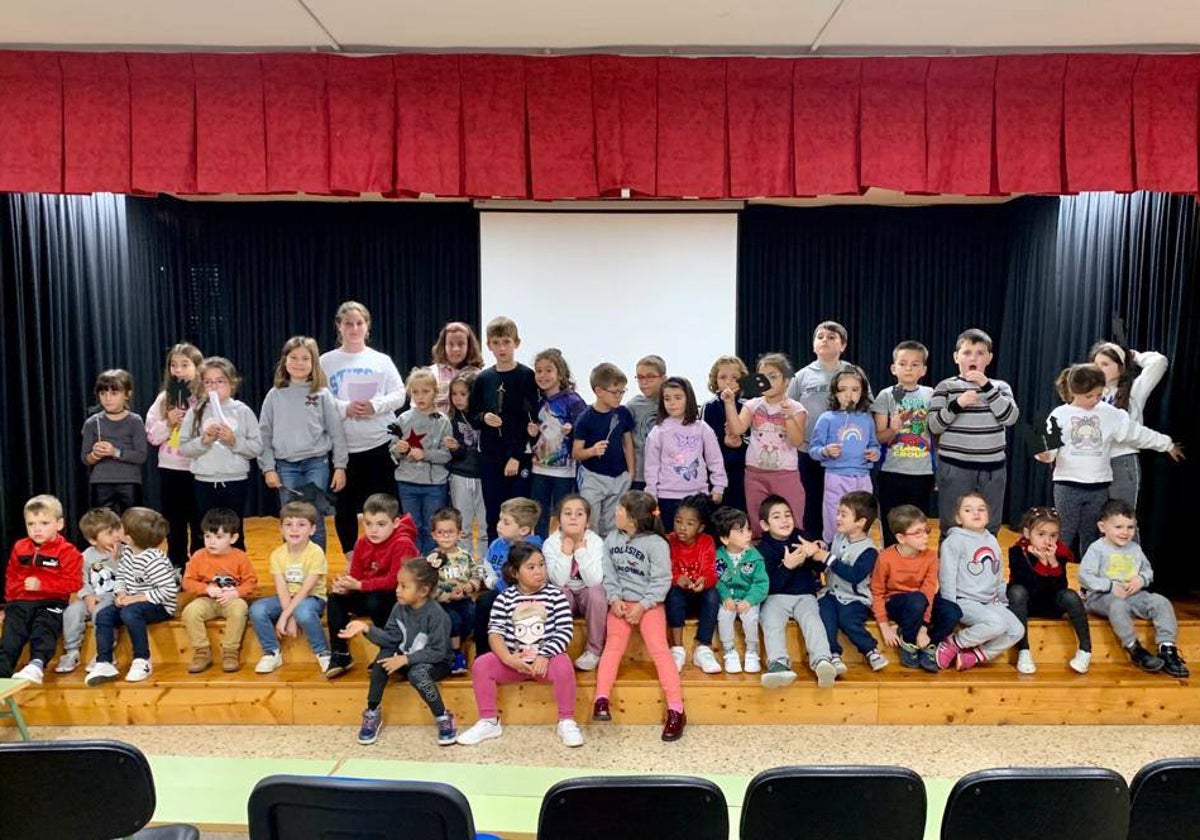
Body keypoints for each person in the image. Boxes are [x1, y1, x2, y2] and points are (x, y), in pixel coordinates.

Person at [1035, 364, 1181, 557]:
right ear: (1073, 392)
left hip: (1098, 487)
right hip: (1067, 485)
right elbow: (1047, 446)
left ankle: (1090, 584)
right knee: (1064, 533)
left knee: (1092, 537)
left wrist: (1166, 444)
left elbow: (1137, 433)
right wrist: (1044, 454)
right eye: (1089, 396)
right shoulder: (1060, 415)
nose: (1095, 400)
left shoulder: (1109, 413)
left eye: (1099, 395)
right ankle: (1053, 579)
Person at [456, 542, 583, 747]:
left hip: (544, 663)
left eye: (541, 565)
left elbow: (564, 631)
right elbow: (495, 633)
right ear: (515, 572)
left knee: (564, 663)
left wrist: (545, 655)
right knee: (481, 664)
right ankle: (489, 721)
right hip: (514, 662)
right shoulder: (505, 598)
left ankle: (566, 721)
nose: (539, 571)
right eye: (531, 567)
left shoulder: (556, 595)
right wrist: (507, 657)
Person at [592, 491, 685, 741]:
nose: (616, 512)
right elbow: (609, 575)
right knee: (612, 647)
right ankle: (601, 699)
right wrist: (614, 600)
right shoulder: (611, 539)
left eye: (620, 509)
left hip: (649, 604)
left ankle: (676, 709)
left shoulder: (656, 544)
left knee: (659, 650)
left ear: (632, 518)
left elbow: (661, 580)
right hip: (621, 604)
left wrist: (643, 605)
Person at [320, 301, 406, 562]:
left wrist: (375, 406)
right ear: (339, 327)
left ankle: (387, 557)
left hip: (379, 443)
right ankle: (350, 559)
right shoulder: (325, 361)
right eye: (348, 323)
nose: (354, 328)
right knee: (344, 506)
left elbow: (400, 394)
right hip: (344, 449)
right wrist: (346, 407)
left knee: (385, 504)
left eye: (359, 323)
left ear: (367, 326)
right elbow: (318, 399)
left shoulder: (381, 360)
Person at [340, 558, 456, 746]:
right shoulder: (398, 608)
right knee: (381, 660)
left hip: (435, 662)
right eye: (398, 584)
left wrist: (405, 659)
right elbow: (391, 639)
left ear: (423, 591)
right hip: (406, 657)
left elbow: (437, 652)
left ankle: (443, 717)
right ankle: (372, 711)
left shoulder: (437, 616)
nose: (397, 590)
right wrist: (366, 629)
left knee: (417, 673)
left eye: (404, 586)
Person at [1079, 500, 1188, 677]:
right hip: (1102, 597)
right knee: (1118, 606)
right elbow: (1084, 576)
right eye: (1119, 527)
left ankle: (1167, 648)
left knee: (1160, 602)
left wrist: (1141, 579)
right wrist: (1110, 585)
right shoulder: (1097, 549)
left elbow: (1147, 570)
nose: (1125, 532)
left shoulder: (1135, 549)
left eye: (1130, 527)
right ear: (1102, 527)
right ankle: (1135, 648)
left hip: (1132, 595)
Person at [259, 336, 347, 552]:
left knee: (314, 518)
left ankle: (315, 574)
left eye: (305, 358)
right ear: (284, 361)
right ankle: (293, 570)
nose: (299, 363)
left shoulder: (322, 394)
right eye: (294, 357)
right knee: (292, 520)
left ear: (313, 363)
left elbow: (337, 433)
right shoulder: (274, 395)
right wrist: (268, 468)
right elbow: (264, 435)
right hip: (286, 466)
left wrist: (340, 467)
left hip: (316, 464)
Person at [928, 329, 1019, 535]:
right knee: (951, 525)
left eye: (980, 353)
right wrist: (958, 404)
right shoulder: (946, 387)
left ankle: (986, 565)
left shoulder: (1000, 387)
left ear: (989, 358)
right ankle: (950, 567)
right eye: (967, 352)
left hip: (992, 470)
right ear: (956, 357)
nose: (973, 358)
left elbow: (1010, 418)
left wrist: (986, 386)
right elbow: (934, 426)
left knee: (990, 525)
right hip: (954, 468)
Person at [325, 494, 417, 679]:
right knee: (335, 599)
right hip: (369, 591)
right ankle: (340, 654)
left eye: (381, 524)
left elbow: (395, 581)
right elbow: (357, 576)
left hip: (397, 597)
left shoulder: (403, 544)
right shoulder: (361, 543)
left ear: (396, 523)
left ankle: (393, 650)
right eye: (368, 524)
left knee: (377, 598)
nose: (373, 530)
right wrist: (346, 586)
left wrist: (359, 585)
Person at [787, 322, 864, 540]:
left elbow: (866, 408)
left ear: (843, 345)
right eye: (820, 336)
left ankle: (842, 550)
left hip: (845, 454)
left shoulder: (854, 373)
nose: (825, 340)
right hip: (810, 451)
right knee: (812, 503)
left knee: (843, 505)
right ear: (813, 345)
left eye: (831, 337)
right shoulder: (801, 376)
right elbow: (789, 411)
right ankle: (813, 555)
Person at [178, 356, 262, 549]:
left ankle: (236, 574)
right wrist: (204, 441)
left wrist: (234, 441)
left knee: (234, 531)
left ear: (232, 383)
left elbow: (256, 447)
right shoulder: (196, 411)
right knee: (203, 531)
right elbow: (184, 448)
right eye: (208, 382)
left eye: (220, 381)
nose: (213, 386)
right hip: (204, 480)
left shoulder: (243, 411)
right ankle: (203, 574)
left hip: (235, 480)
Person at [799, 491, 888, 675]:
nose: (837, 517)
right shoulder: (839, 537)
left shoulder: (869, 550)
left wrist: (827, 557)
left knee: (848, 620)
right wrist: (821, 547)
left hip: (855, 598)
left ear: (861, 522)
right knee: (826, 616)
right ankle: (833, 654)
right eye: (838, 512)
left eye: (843, 514)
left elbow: (854, 575)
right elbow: (828, 554)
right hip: (830, 593)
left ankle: (870, 650)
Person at [468, 316, 538, 541]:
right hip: (490, 456)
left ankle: (520, 559)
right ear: (488, 345)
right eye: (496, 343)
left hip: (517, 456)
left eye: (506, 342)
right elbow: (472, 415)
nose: (501, 348)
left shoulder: (526, 376)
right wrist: (484, 417)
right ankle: (494, 559)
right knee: (494, 512)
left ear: (516, 343)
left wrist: (516, 456)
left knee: (519, 513)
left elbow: (530, 419)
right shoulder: (484, 378)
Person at [87, 507, 176, 685]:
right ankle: (104, 661)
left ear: (128, 537)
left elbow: (168, 590)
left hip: (159, 606)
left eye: (120, 527)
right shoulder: (127, 552)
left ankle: (142, 659)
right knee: (104, 614)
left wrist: (134, 599)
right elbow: (121, 575)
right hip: (131, 602)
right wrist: (120, 593)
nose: (117, 530)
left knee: (130, 613)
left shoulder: (154, 559)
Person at [935, 493, 1024, 671]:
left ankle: (976, 655)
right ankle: (953, 642)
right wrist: (949, 607)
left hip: (990, 601)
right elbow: (947, 576)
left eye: (981, 509)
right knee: (997, 625)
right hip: (964, 600)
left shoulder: (992, 540)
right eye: (968, 510)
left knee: (1017, 630)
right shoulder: (954, 541)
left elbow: (997, 573)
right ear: (958, 518)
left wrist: (1002, 599)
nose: (976, 513)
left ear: (988, 516)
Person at [757, 495, 837, 688]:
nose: (785, 520)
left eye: (788, 515)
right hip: (775, 597)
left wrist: (815, 554)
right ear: (765, 524)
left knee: (813, 619)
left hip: (805, 595)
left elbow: (819, 570)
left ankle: (822, 661)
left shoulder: (802, 538)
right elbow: (767, 586)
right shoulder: (762, 550)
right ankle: (778, 664)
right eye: (777, 516)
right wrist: (786, 567)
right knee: (770, 619)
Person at [723, 352, 806, 539]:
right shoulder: (752, 405)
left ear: (786, 381)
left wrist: (789, 417)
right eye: (762, 376)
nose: (766, 381)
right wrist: (729, 403)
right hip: (755, 473)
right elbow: (737, 429)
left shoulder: (796, 408)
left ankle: (794, 559)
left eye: (773, 376)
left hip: (785, 473)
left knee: (791, 518)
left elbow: (797, 441)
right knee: (757, 518)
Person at [1, 495, 82, 683]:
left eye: (44, 523)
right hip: (20, 603)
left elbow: (73, 584)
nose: (37, 528)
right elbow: (11, 577)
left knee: (43, 629)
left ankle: (36, 665)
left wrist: (42, 585)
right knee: (10, 639)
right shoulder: (20, 547)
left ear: (59, 524)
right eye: (31, 524)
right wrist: (8, 605)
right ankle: (2, 676)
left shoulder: (68, 551)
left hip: (51, 602)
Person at [870, 505, 961, 672]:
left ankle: (930, 645)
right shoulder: (885, 558)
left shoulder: (931, 556)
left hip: (922, 603)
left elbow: (928, 591)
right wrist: (883, 625)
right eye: (918, 533)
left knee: (953, 611)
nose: (925, 536)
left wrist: (924, 627)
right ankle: (909, 642)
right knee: (916, 599)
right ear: (901, 538)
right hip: (897, 603)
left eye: (926, 530)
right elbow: (877, 592)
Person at [1007, 507, 1091, 675]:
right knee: (1016, 592)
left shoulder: (1058, 553)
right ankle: (1023, 650)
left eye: (1053, 535)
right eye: (1041, 534)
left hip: (1049, 602)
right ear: (1027, 533)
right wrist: (1040, 563)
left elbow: (1060, 586)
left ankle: (1085, 650)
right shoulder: (1017, 552)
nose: (1048, 541)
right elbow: (1027, 584)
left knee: (1071, 595)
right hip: (1027, 603)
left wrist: (1051, 562)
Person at [249, 501, 330, 675]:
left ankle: (322, 652)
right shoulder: (277, 554)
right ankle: (272, 652)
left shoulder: (316, 552)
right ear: (281, 530)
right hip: (287, 599)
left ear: (312, 529)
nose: (294, 530)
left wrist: (287, 616)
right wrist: (288, 614)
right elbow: (281, 588)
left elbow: (306, 589)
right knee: (257, 609)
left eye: (301, 525)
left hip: (312, 598)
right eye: (288, 525)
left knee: (303, 612)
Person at [146, 342, 205, 570]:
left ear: (197, 367)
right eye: (173, 365)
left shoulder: (204, 398)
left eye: (184, 365)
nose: (178, 370)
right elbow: (151, 436)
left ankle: (199, 565)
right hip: (171, 468)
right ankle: (177, 563)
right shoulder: (164, 399)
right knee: (174, 520)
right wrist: (168, 422)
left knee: (199, 520)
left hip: (199, 469)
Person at [871, 340, 936, 546]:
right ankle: (891, 565)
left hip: (922, 473)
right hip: (891, 472)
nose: (908, 368)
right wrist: (893, 429)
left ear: (923, 370)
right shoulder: (886, 395)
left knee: (917, 525)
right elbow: (879, 437)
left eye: (915, 364)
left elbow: (936, 436)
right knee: (892, 524)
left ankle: (914, 568)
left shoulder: (931, 394)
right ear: (893, 368)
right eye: (903, 363)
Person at [1090, 341, 1168, 509]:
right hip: (1093, 462)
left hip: (1121, 461)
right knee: (1096, 521)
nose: (1099, 368)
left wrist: (1135, 356)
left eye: (1105, 364)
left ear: (1121, 367)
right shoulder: (1088, 394)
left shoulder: (1134, 391)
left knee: (1123, 519)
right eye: (1095, 364)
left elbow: (1159, 362)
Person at [179, 508, 258, 673]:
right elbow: (187, 582)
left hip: (231, 599)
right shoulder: (199, 556)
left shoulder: (240, 557)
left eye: (219, 537)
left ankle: (230, 651)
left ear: (233, 538)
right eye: (207, 536)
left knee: (239, 609)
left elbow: (251, 582)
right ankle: (202, 651)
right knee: (190, 612)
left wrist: (236, 593)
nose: (211, 542)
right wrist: (206, 588)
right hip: (206, 599)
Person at [809, 366, 881, 544]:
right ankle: (832, 554)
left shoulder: (866, 419)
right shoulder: (827, 418)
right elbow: (813, 450)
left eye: (855, 389)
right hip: (836, 477)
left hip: (862, 477)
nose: (849, 394)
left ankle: (859, 554)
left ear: (862, 392)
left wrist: (875, 453)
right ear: (834, 393)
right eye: (843, 389)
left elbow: (874, 444)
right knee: (835, 518)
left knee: (861, 518)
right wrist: (825, 451)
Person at [644, 376, 727, 529]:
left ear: (688, 399)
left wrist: (718, 487)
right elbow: (651, 466)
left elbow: (715, 460)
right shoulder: (658, 431)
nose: (672, 403)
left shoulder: (702, 428)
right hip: (667, 497)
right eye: (667, 398)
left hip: (698, 497)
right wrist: (651, 493)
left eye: (678, 397)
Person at [391, 367, 453, 555]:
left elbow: (447, 455)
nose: (420, 396)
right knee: (412, 526)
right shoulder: (403, 418)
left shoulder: (443, 421)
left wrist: (425, 454)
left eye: (425, 391)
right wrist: (398, 449)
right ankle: (416, 563)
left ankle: (431, 562)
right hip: (407, 483)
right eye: (415, 392)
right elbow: (392, 451)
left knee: (431, 526)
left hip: (434, 486)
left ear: (435, 392)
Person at [542, 494, 607, 671]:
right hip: (565, 593)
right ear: (559, 519)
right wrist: (565, 553)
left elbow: (595, 580)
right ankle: (556, 649)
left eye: (579, 514)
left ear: (587, 522)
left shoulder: (595, 542)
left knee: (597, 592)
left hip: (587, 592)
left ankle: (594, 651)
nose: (573, 517)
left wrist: (580, 552)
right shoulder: (551, 543)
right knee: (559, 592)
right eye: (567, 513)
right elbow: (559, 580)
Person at [56, 507, 123, 674]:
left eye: (117, 529)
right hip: (92, 597)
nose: (116, 535)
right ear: (93, 540)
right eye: (109, 532)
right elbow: (80, 580)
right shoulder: (86, 557)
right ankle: (72, 651)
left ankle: (105, 652)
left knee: (102, 613)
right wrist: (87, 596)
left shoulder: (125, 553)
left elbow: (127, 578)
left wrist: (116, 560)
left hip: (114, 598)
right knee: (72, 610)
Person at [473, 497, 543, 656]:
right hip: (500, 592)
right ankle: (483, 655)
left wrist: (498, 585)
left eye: (506, 522)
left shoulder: (533, 549)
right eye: (499, 520)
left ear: (524, 530)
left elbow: (525, 579)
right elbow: (488, 565)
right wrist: (490, 580)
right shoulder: (497, 544)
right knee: (483, 602)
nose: (499, 525)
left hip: (526, 595)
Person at [529, 348, 587, 538]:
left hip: (564, 470)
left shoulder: (573, 401)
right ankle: (539, 549)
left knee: (564, 512)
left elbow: (584, 432)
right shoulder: (536, 400)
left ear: (560, 374)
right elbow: (534, 433)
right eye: (538, 371)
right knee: (539, 513)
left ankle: (566, 549)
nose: (543, 375)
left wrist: (572, 431)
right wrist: (532, 433)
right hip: (539, 468)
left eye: (548, 370)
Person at [572, 363, 636, 536]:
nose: (619, 396)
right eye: (615, 392)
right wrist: (592, 451)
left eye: (622, 391)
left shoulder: (623, 413)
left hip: (619, 477)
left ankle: (609, 557)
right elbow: (576, 452)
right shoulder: (585, 418)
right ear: (599, 391)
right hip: (593, 478)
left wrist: (630, 472)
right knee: (591, 522)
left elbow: (627, 443)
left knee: (613, 524)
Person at [664, 494, 721, 674]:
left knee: (713, 595)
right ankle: (677, 649)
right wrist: (676, 578)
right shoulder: (668, 540)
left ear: (700, 527)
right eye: (678, 521)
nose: (682, 527)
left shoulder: (706, 541)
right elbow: (662, 571)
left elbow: (711, 572)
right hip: (678, 598)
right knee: (673, 593)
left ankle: (703, 648)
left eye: (689, 524)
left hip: (699, 595)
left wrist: (704, 581)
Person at [427, 507, 486, 676]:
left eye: (450, 532)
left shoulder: (465, 556)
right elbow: (427, 586)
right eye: (441, 532)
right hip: (442, 603)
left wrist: (471, 586)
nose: (446, 536)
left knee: (470, 615)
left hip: (464, 600)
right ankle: (455, 654)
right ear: (433, 535)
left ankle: (461, 646)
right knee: (452, 620)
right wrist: (446, 595)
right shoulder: (432, 559)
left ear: (459, 534)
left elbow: (476, 574)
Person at [81, 369, 148, 513]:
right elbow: (85, 459)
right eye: (103, 393)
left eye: (114, 393)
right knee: (102, 525)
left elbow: (141, 455)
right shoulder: (92, 423)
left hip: (130, 481)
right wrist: (95, 455)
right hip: (100, 482)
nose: (108, 398)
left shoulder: (135, 421)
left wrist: (114, 452)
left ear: (127, 394)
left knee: (132, 524)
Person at [713, 506, 768, 674]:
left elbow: (761, 584)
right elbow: (717, 580)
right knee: (723, 615)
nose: (748, 534)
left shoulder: (755, 557)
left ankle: (752, 651)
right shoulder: (719, 557)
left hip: (748, 598)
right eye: (740, 531)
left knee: (751, 617)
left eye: (748, 529)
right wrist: (725, 597)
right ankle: (729, 651)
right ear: (724, 538)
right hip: (728, 599)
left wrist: (749, 600)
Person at [445, 371, 487, 561]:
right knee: (464, 526)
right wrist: (456, 448)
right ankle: (465, 564)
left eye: (463, 394)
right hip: (460, 476)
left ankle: (485, 565)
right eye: (454, 394)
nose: (458, 399)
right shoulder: (450, 420)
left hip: (483, 476)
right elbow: (452, 455)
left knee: (486, 524)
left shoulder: (484, 417)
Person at [702, 354, 749, 514]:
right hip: (716, 471)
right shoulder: (710, 406)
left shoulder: (747, 406)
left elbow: (753, 437)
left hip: (741, 470)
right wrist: (724, 440)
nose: (729, 381)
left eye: (734, 377)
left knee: (739, 510)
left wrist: (741, 442)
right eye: (723, 377)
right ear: (715, 380)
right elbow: (705, 439)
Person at [627, 354, 666, 491]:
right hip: (640, 475)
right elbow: (626, 442)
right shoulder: (632, 406)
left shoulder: (672, 403)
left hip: (667, 476)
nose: (644, 382)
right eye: (640, 377)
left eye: (650, 377)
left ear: (663, 378)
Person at [429, 321, 483, 413]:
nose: (455, 349)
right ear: (443, 346)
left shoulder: (478, 375)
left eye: (461, 344)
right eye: (450, 344)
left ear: (469, 346)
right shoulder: (430, 373)